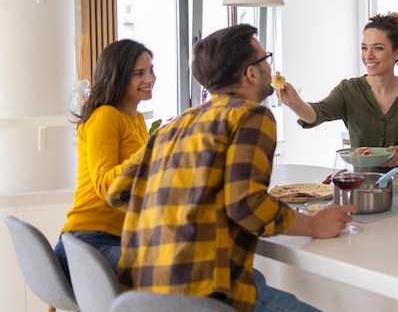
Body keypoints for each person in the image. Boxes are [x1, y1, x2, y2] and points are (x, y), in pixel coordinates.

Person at [107, 24, 352, 312]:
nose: (269, 67)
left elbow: (118, 192)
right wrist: (313, 224)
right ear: (250, 72)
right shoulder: (251, 115)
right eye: (265, 59)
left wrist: (183, 213)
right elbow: (246, 205)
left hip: (143, 293)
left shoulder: (175, 126)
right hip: (204, 294)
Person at [278, 12, 398, 170]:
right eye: (364, 48)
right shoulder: (348, 90)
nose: (368, 56)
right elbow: (316, 114)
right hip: (360, 188)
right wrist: (295, 103)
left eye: (378, 48)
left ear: (397, 52)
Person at [54, 39, 155, 279]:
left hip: (118, 238)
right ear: (118, 77)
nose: (150, 79)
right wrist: (152, 150)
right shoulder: (105, 116)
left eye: (151, 70)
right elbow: (106, 185)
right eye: (139, 73)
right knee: (179, 272)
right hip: (89, 241)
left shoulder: (137, 120)